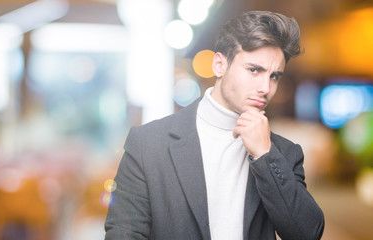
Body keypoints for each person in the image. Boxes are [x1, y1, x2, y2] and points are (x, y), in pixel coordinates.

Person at [104, 10, 325, 240]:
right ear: (219, 65)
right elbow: (124, 234)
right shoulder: (148, 145)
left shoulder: (283, 153)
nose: (266, 88)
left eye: (274, 76)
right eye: (254, 70)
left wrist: (264, 155)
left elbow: (308, 233)